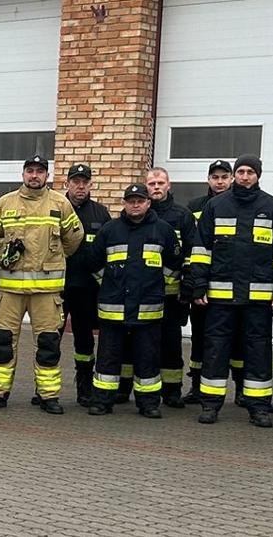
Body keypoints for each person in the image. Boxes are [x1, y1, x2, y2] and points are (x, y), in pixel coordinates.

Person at [187, 155, 273, 427]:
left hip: (257, 300)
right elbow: (201, 250)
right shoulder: (216, 206)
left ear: (258, 175)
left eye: (250, 172)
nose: (245, 176)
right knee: (215, 351)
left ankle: (259, 407)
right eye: (241, 172)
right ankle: (210, 404)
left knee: (258, 353)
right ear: (234, 175)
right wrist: (199, 284)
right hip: (220, 298)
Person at [0, 156, 83, 413]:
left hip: (47, 293)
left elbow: (74, 238)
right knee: (2, 342)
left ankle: (48, 396)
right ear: (23, 174)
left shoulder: (60, 203)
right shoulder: (5, 203)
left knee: (48, 344)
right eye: (30, 171)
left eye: (40, 171)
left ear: (47, 175)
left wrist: (54, 258)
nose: (34, 175)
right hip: (10, 291)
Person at [86, 184, 181, 417]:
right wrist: (108, 285)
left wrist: (157, 286)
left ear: (149, 203)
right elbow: (93, 263)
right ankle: (102, 401)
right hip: (113, 309)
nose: (135, 205)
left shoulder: (163, 230)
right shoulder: (110, 230)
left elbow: (174, 266)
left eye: (140, 200)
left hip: (148, 310)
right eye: (131, 201)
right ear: (125, 204)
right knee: (108, 359)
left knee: (147, 359)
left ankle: (148, 404)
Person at [146, 167, 199, 408]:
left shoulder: (183, 215)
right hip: (143, 295)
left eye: (160, 183)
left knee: (170, 343)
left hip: (171, 294)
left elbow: (192, 251)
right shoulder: (139, 213)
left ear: (169, 185)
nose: (156, 187)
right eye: (152, 184)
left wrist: (188, 283)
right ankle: (133, 388)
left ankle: (172, 391)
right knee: (141, 342)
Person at [183, 160, 233, 404]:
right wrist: (195, 283)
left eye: (224, 176)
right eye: (215, 177)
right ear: (208, 180)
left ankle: (241, 390)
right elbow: (193, 247)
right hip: (202, 283)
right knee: (200, 337)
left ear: (231, 179)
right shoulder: (194, 207)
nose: (220, 181)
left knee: (235, 339)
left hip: (231, 284)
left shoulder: (238, 205)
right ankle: (196, 385)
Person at [63, 164, 112, 407]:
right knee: (49, 338)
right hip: (57, 287)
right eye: (75, 182)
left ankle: (85, 386)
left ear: (91, 184)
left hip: (87, 289)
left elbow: (108, 251)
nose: (80, 186)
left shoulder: (100, 213)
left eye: (84, 182)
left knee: (84, 341)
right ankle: (44, 390)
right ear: (67, 184)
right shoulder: (56, 208)